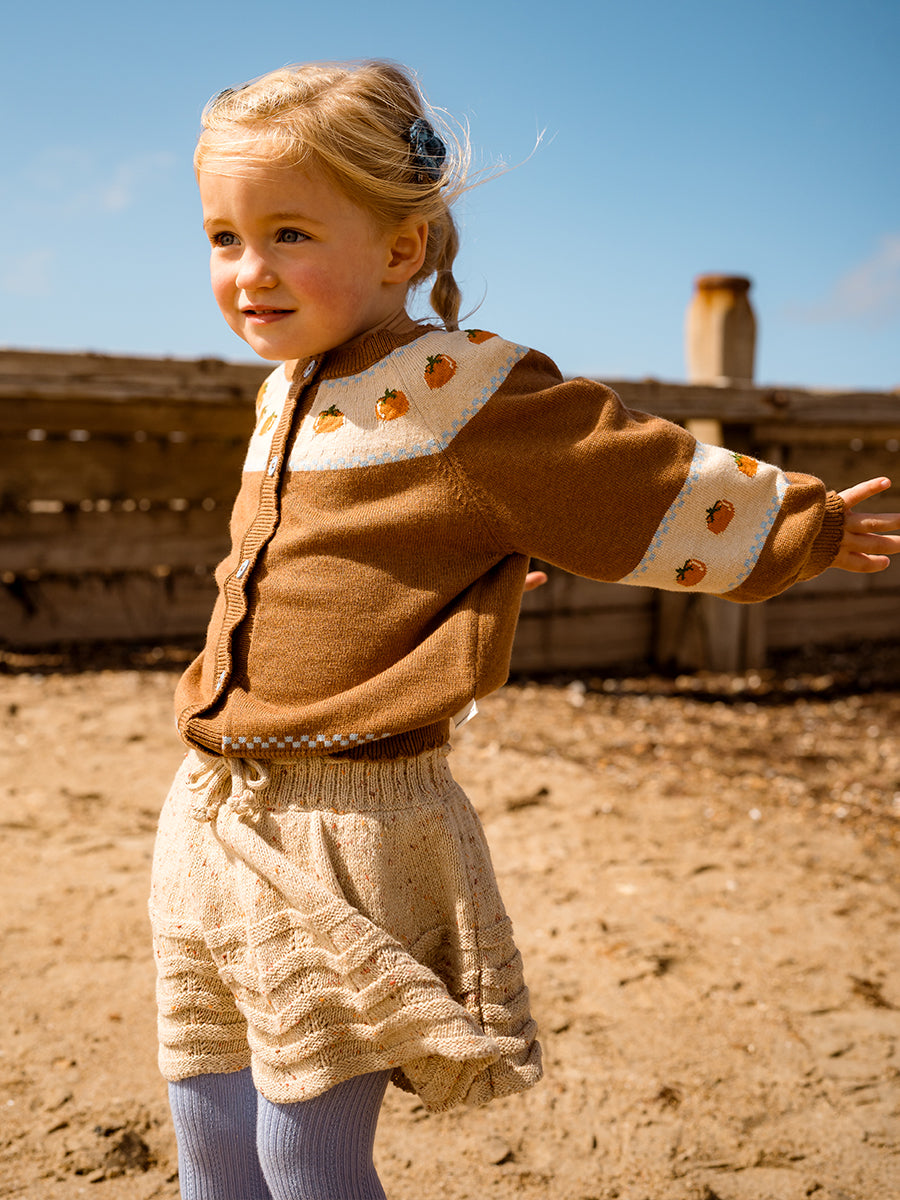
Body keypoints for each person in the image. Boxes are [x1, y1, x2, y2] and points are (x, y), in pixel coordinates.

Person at [149, 59, 900, 1200]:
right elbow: (323, 564)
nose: (249, 270)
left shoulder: (455, 387)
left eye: (289, 233)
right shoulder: (281, 391)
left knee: (301, 1153)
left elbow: (621, 474)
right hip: (213, 808)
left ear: (401, 247)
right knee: (208, 1131)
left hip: (350, 824)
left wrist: (804, 525)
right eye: (223, 237)